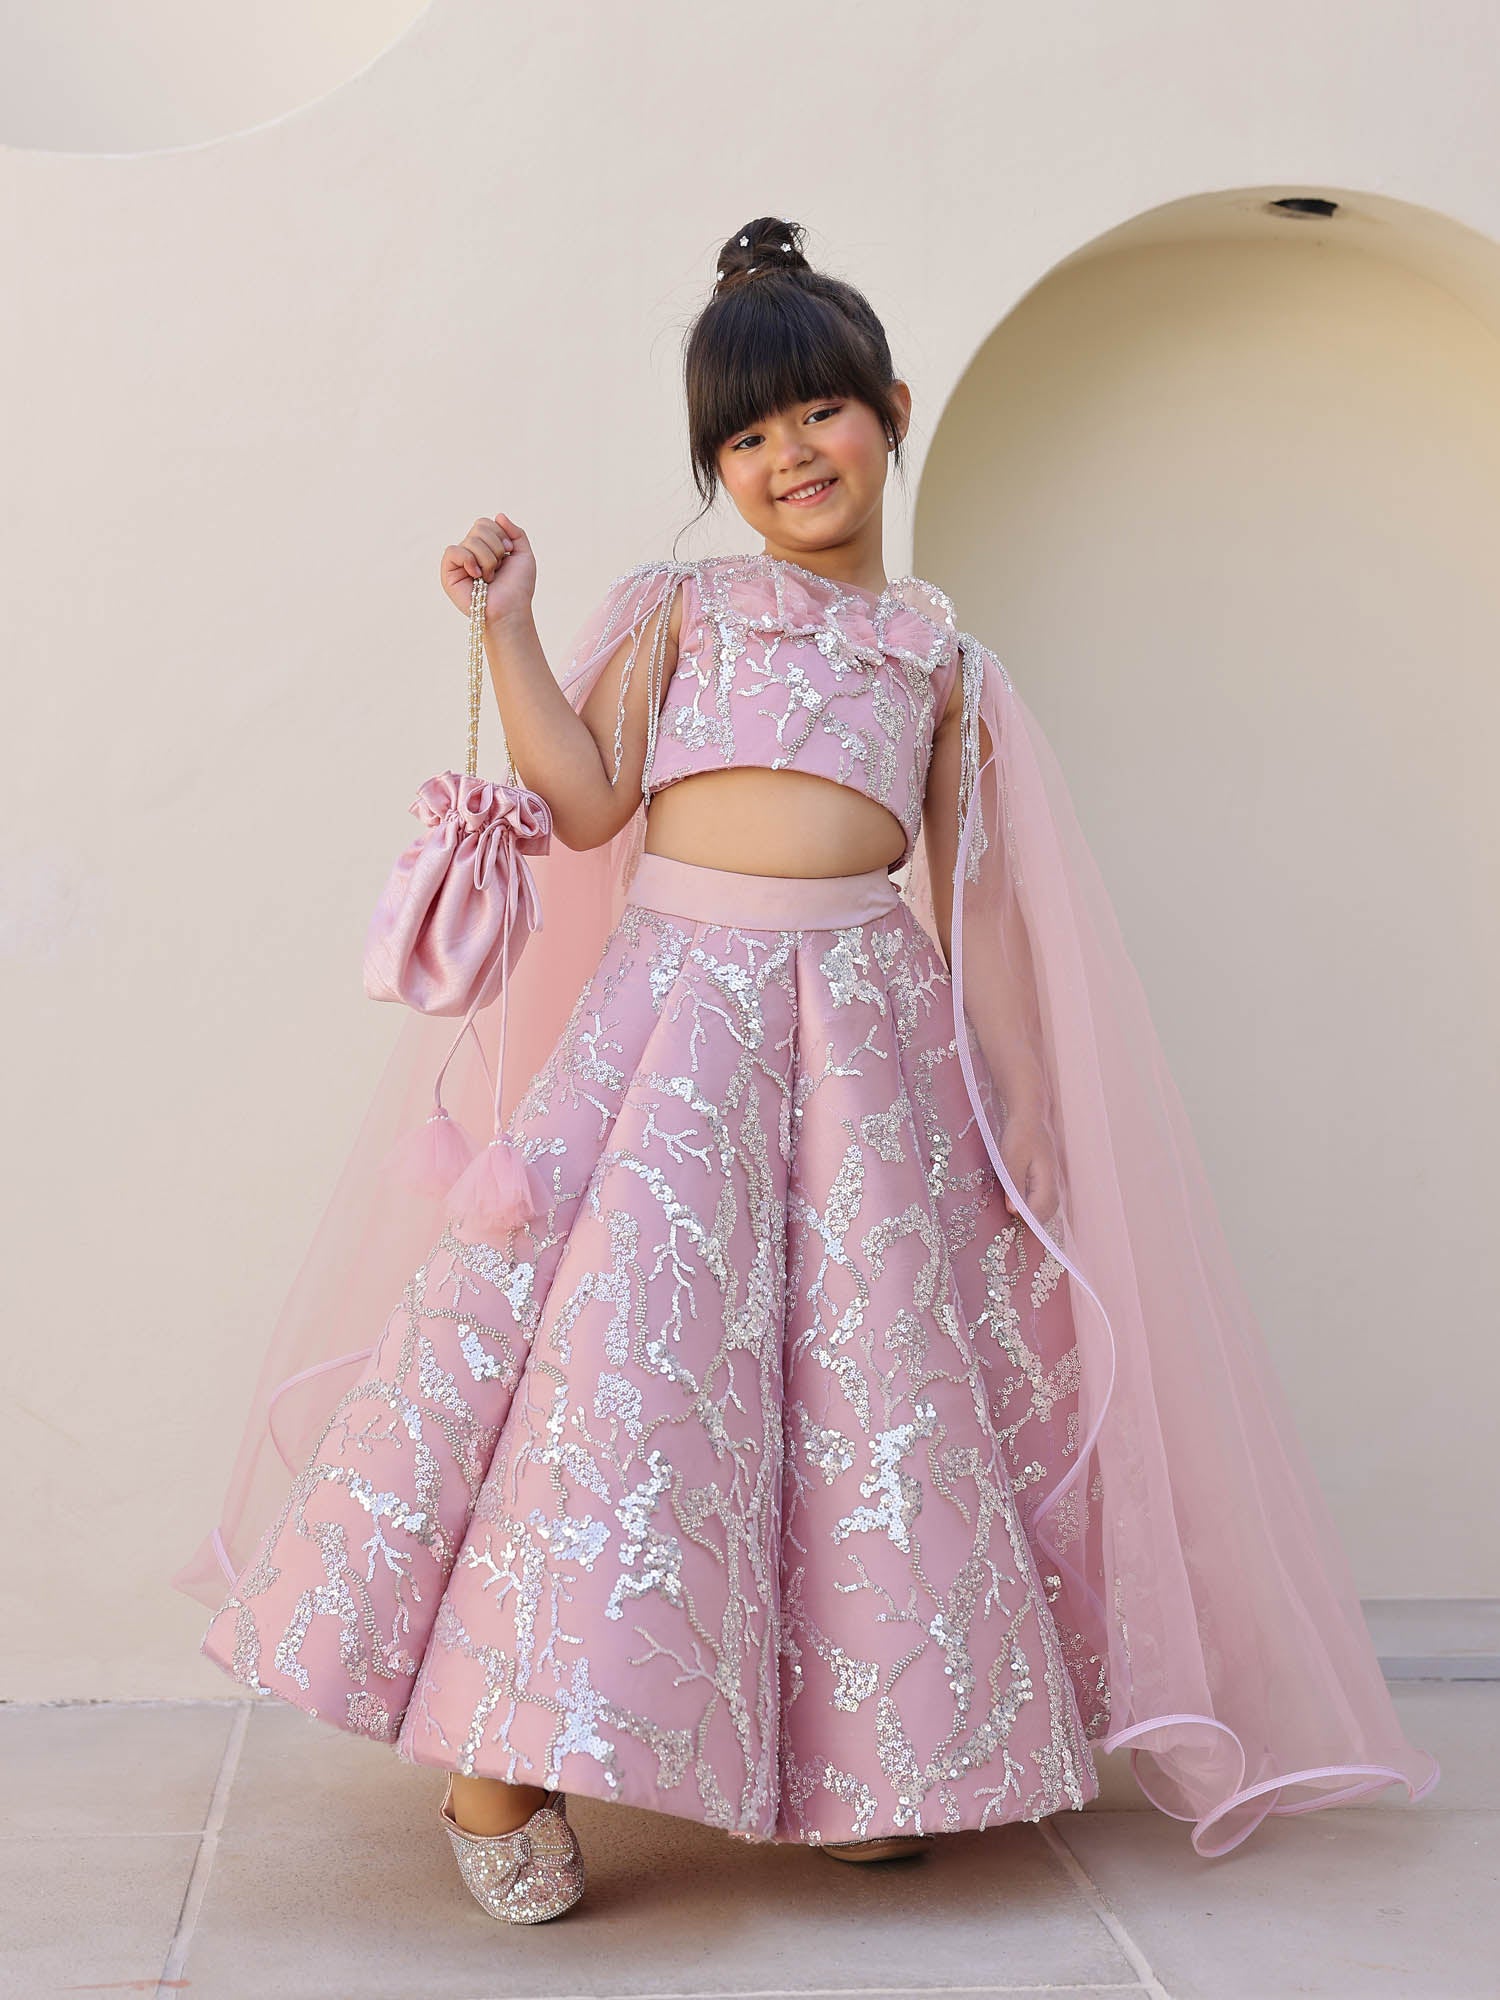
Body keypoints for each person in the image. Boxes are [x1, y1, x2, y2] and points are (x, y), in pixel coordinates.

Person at [172, 215, 1439, 1924]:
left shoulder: (942, 660)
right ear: (719, 471)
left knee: (856, 1396)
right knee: (619, 1381)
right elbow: (591, 801)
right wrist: (514, 632)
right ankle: (505, 1747)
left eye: (818, 416)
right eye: (746, 440)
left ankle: (865, 1759)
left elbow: (977, 899)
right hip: (675, 1029)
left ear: (891, 409)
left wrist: (1016, 1110)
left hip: (864, 1036)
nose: (788, 458)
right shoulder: (688, 610)